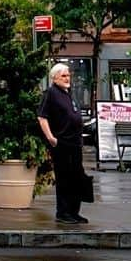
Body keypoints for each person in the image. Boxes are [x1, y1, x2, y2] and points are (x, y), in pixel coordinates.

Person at [38, 62, 90, 224]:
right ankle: (63, 213)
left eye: (68, 75)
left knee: (77, 177)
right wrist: (51, 138)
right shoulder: (51, 93)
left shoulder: (68, 93)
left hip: (75, 143)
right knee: (64, 178)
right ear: (55, 78)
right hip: (62, 143)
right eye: (64, 76)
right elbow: (42, 117)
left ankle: (74, 212)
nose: (68, 78)